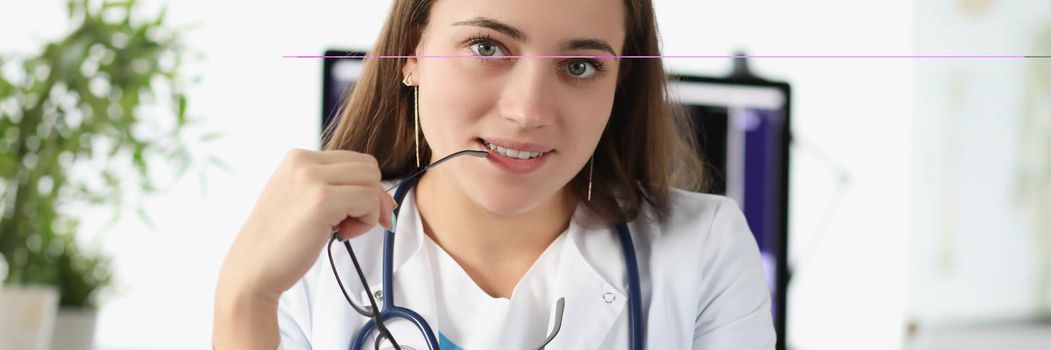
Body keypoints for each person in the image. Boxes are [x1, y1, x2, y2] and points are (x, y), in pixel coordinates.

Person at [213, 0, 776, 348]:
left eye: (580, 66)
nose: (528, 111)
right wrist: (244, 297)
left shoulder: (703, 249)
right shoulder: (315, 258)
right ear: (411, 54)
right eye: (487, 46)